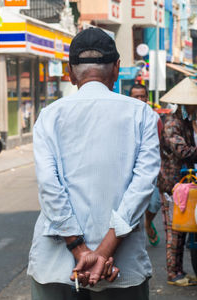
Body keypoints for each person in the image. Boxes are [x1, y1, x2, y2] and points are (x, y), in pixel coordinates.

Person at [27, 27, 160, 300]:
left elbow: (49, 187)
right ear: (116, 69)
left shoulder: (50, 116)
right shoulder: (142, 114)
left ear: (70, 71)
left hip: (56, 267)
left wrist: (80, 250)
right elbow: (142, 187)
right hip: (122, 269)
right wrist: (102, 254)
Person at [158, 98, 197, 286]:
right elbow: (182, 151)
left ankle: (179, 270)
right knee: (174, 230)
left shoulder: (186, 122)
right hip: (171, 183)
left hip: (182, 182)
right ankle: (173, 273)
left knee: (182, 228)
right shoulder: (173, 124)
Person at [129, 83, 162, 247]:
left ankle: (148, 222)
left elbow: (161, 141)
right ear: (130, 98)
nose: (140, 99)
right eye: (136, 96)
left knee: (155, 202)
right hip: (129, 168)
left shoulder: (154, 117)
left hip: (152, 167)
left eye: (143, 96)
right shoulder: (124, 116)